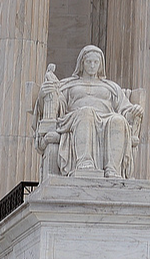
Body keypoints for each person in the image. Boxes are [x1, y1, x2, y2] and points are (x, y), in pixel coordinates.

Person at [34, 45, 143, 179]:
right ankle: (85, 162)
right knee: (86, 113)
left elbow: (124, 108)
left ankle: (112, 169)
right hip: (76, 118)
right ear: (82, 63)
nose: (92, 65)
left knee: (118, 120)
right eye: (88, 62)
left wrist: (134, 111)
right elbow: (58, 104)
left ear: (100, 65)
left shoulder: (112, 87)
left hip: (106, 118)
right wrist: (44, 94)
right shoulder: (69, 84)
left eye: (96, 62)